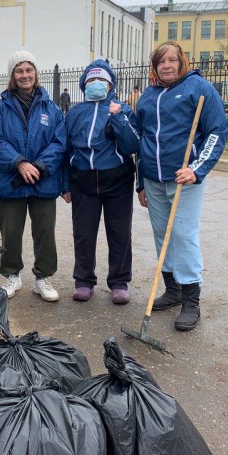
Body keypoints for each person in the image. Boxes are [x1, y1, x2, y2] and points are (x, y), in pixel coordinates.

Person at [136, 40, 228, 331]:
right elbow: (141, 142)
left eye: (172, 60)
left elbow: (217, 131)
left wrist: (196, 169)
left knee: (184, 235)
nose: (167, 66)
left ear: (181, 63)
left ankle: (191, 301)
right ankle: (172, 290)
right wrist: (140, 183)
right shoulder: (148, 97)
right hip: (153, 178)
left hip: (184, 178)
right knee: (163, 234)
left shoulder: (198, 88)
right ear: (155, 67)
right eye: (161, 61)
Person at [0, 51, 66, 301]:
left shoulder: (51, 109)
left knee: (44, 231)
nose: (24, 75)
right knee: (10, 232)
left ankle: (42, 277)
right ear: (12, 75)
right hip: (11, 181)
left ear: (36, 73)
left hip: (43, 181)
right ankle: (12, 275)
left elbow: (59, 142)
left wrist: (40, 166)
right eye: (19, 71)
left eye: (28, 70)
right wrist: (19, 163)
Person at [63, 60, 140, 304]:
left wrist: (118, 119)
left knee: (119, 233)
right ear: (84, 84)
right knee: (83, 234)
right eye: (91, 81)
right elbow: (64, 149)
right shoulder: (74, 113)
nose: (97, 85)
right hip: (83, 180)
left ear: (111, 85)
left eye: (102, 81)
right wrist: (65, 184)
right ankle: (83, 281)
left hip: (117, 179)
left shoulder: (122, 109)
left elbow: (132, 145)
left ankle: (119, 282)